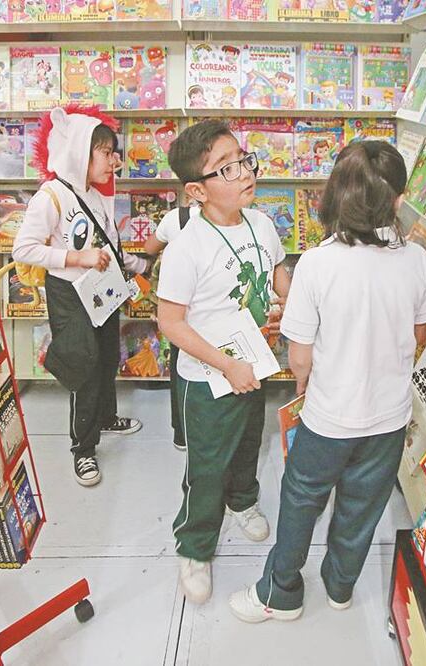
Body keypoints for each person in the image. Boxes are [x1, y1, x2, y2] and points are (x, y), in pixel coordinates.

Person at [227, 141, 426, 622]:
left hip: (328, 416)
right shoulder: (417, 260)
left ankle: (281, 592)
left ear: (335, 196)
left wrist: (304, 390)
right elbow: (419, 334)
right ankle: (341, 586)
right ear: (398, 200)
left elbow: (300, 355)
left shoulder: (317, 264)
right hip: (388, 418)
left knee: (301, 498)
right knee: (364, 504)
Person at [156, 120, 290, 604]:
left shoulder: (262, 222)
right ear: (197, 190)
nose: (243, 173)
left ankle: (244, 501)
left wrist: (292, 302)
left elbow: (275, 272)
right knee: (206, 464)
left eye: (243, 160)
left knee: (248, 443)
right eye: (225, 168)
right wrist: (226, 365)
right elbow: (170, 323)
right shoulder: (187, 248)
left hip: (253, 363)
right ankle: (194, 546)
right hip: (208, 377)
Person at [13, 105, 145, 487]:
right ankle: (83, 449)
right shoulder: (51, 196)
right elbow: (24, 249)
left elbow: (108, 244)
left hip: (100, 291)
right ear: (78, 151)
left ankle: (105, 417)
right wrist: (75, 257)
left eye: (112, 152)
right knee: (84, 365)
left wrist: (136, 265)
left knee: (106, 357)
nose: (113, 161)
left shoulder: (96, 193)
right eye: (105, 152)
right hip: (69, 293)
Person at [143, 205, 199, 452]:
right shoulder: (238, 217)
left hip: (180, 306)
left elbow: (148, 248)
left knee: (181, 366)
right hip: (217, 309)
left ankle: (182, 433)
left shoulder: (176, 217)